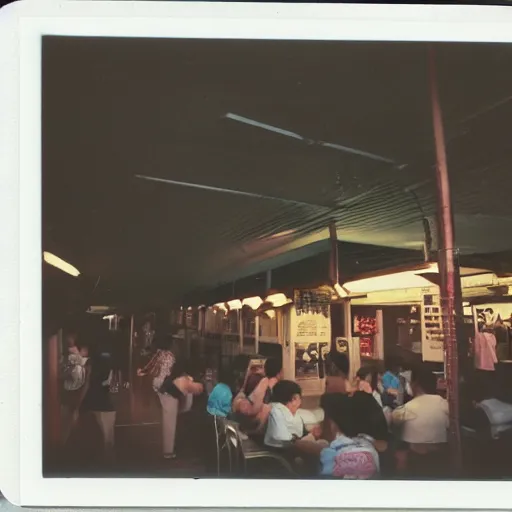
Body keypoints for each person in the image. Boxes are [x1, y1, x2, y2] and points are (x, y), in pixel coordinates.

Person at [294, 393, 380, 479]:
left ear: (332, 424)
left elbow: (321, 450)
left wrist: (295, 442)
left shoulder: (334, 454)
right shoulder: (369, 445)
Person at [391, 366, 449, 478]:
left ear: (415, 385)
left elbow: (393, 420)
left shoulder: (407, 408)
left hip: (416, 459)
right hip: (441, 459)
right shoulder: (444, 404)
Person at [137, 335, 177, 459]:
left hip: (156, 384)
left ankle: (165, 448)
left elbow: (148, 367)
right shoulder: (170, 356)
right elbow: (170, 372)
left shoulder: (158, 354)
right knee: (170, 419)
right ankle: (168, 451)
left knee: (166, 416)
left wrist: (142, 372)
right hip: (166, 387)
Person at [80, 342, 117, 465]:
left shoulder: (91, 363)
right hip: (108, 403)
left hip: (94, 401)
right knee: (108, 437)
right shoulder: (111, 364)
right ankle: (109, 462)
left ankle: (97, 462)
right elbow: (112, 383)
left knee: (95, 434)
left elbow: (87, 384)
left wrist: (80, 402)